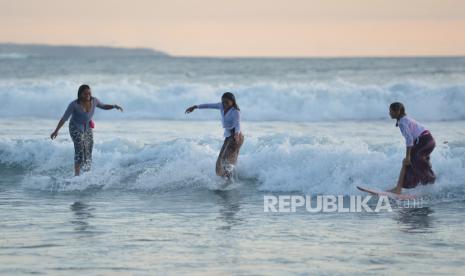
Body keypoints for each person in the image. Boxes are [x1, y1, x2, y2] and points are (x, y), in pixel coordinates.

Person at [50, 84, 123, 176]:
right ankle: (77, 174)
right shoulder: (74, 105)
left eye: (89, 93)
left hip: (87, 127)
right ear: (80, 94)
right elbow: (64, 118)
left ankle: (87, 172)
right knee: (80, 148)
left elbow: (103, 106)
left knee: (88, 147)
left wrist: (114, 106)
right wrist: (56, 131)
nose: (88, 95)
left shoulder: (94, 101)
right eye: (85, 94)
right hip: (75, 127)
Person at [185, 92, 244, 178]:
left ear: (233, 102)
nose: (224, 104)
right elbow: (208, 105)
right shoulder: (221, 106)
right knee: (219, 162)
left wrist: (236, 134)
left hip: (236, 137)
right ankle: (228, 178)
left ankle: (229, 180)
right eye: (223, 102)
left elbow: (237, 124)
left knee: (225, 161)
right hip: (228, 137)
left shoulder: (236, 111)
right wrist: (195, 107)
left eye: (227, 102)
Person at [388, 102, 436, 194]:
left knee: (411, 160)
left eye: (391, 111)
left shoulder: (402, 122)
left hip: (424, 141)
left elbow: (409, 139)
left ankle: (430, 182)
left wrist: (408, 156)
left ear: (397, 111)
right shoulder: (404, 119)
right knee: (410, 162)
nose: (389, 113)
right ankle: (401, 188)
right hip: (427, 140)